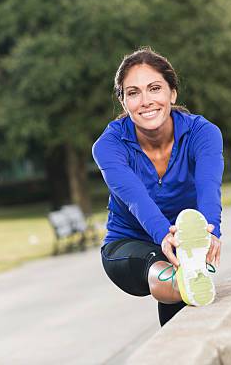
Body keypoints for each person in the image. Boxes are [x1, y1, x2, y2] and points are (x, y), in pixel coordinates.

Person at [92, 47, 223, 326]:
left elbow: (208, 187)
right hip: (129, 246)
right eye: (134, 92)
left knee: (183, 306)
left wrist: (211, 231)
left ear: (172, 93)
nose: (146, 101)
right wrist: (166, 236)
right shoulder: (109, 146)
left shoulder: (203, 133)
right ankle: (185, 279)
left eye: (154, 88)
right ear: (123, 101)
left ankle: (188, 281)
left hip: (180, 248)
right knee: (163, 273)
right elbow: (136, 198)